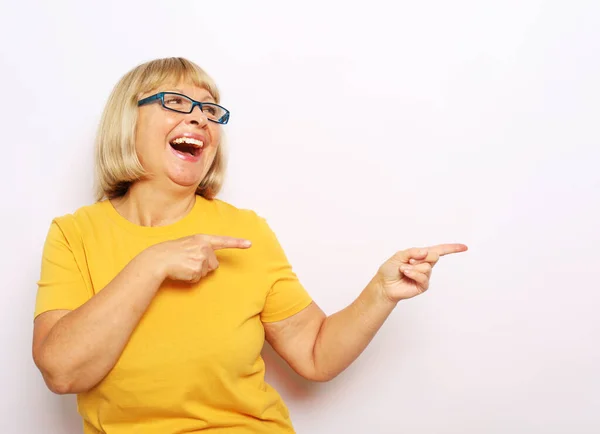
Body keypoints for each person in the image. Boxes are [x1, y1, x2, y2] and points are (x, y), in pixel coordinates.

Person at [32, 57, 468, 434]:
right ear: (128, 120)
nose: (200, 118)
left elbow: (315, 353)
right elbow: (62, 370)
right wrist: (153, 263)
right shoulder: (75, 234)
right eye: (178, 103)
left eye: (209, 110)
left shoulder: (245, 231)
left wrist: (381, 291)